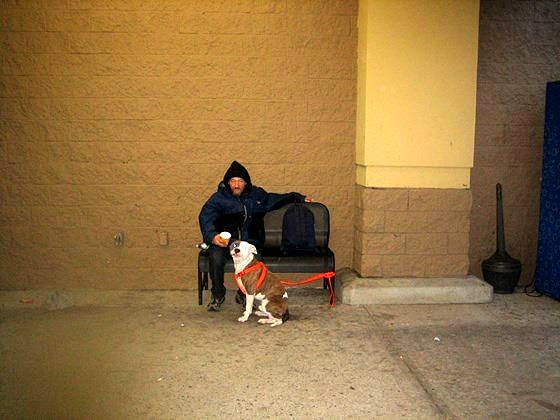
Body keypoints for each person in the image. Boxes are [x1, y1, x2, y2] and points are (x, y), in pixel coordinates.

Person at [199, 161, 308, 311]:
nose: (236, 185)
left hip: (249, 241)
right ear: (227, 182)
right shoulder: (218, 198)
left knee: (256, 262)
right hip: (226, 242)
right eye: (233, 181)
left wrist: (297, 198)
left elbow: (275, 199)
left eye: (240, 181)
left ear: (246, 183)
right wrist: (212, 236)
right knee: (215, 258)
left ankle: (243, 294)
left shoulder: (257, 195)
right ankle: (218, 294)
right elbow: (206, 217)